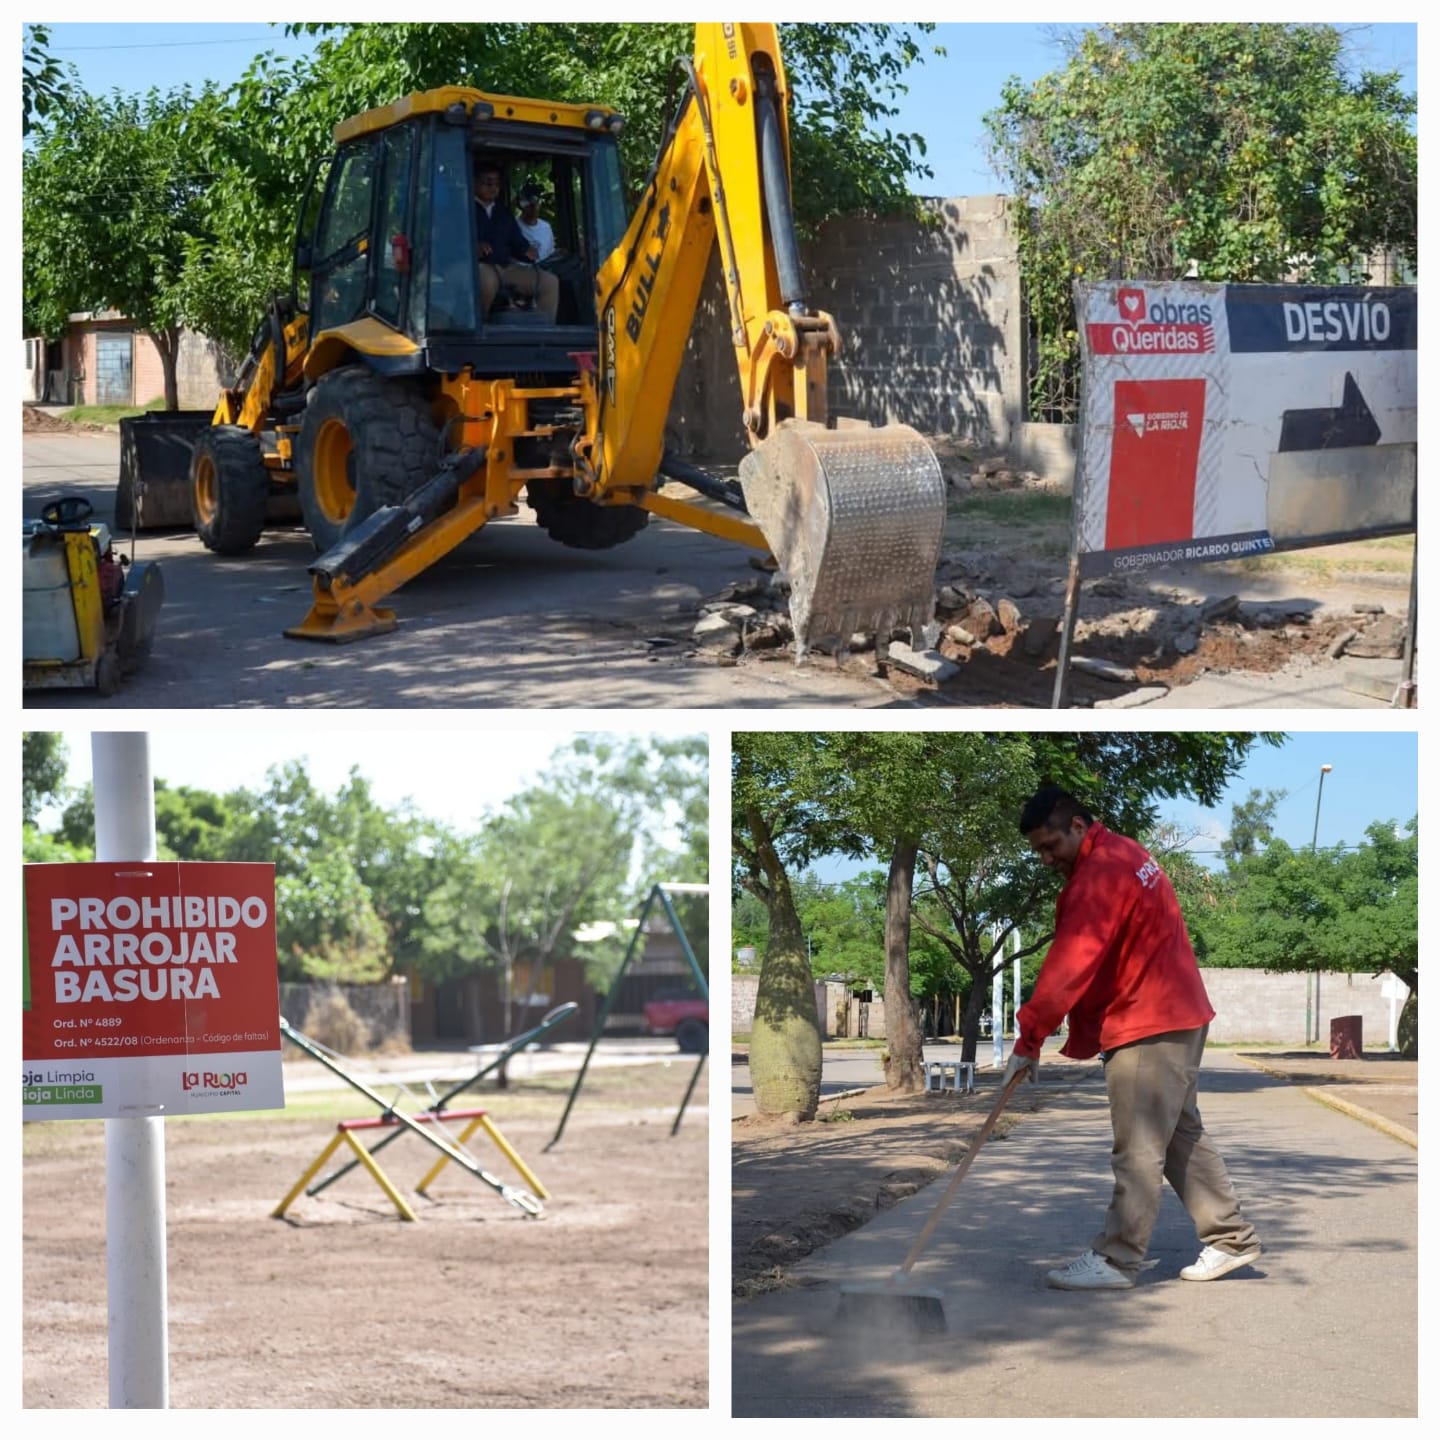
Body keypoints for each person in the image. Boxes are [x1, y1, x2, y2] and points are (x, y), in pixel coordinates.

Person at [1005, 785, 1262, 1291]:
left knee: (1140, 1146)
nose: (1044, 858)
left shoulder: (1100, 875)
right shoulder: (1125, 850)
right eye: (1037, 849)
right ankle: (1231, 1239)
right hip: (1176, 1014)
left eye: (1050, 845)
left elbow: (1068, 966)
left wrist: (1028, 1039)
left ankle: (1118, 1259)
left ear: (1077, 826)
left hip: (1148, 1021)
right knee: (1180, 1135)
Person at [473, 165, 558, 323]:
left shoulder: (503, 212)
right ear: (474, 183)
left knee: (550, 282)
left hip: (506, 267)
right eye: (488, 183)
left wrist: (527, 250)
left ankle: (545, 332)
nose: (493, 188)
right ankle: (481, 328)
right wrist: (473, 247)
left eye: (497, 184)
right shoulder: (463, 208)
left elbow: (517, 242)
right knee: (486, 280)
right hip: (479, 267)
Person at [515, 182, 556, 262]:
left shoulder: (546, 227)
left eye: (536, 202)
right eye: (529, 204)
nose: (534, 207)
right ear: (521, 205)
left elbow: (550, 255)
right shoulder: (513, 228)